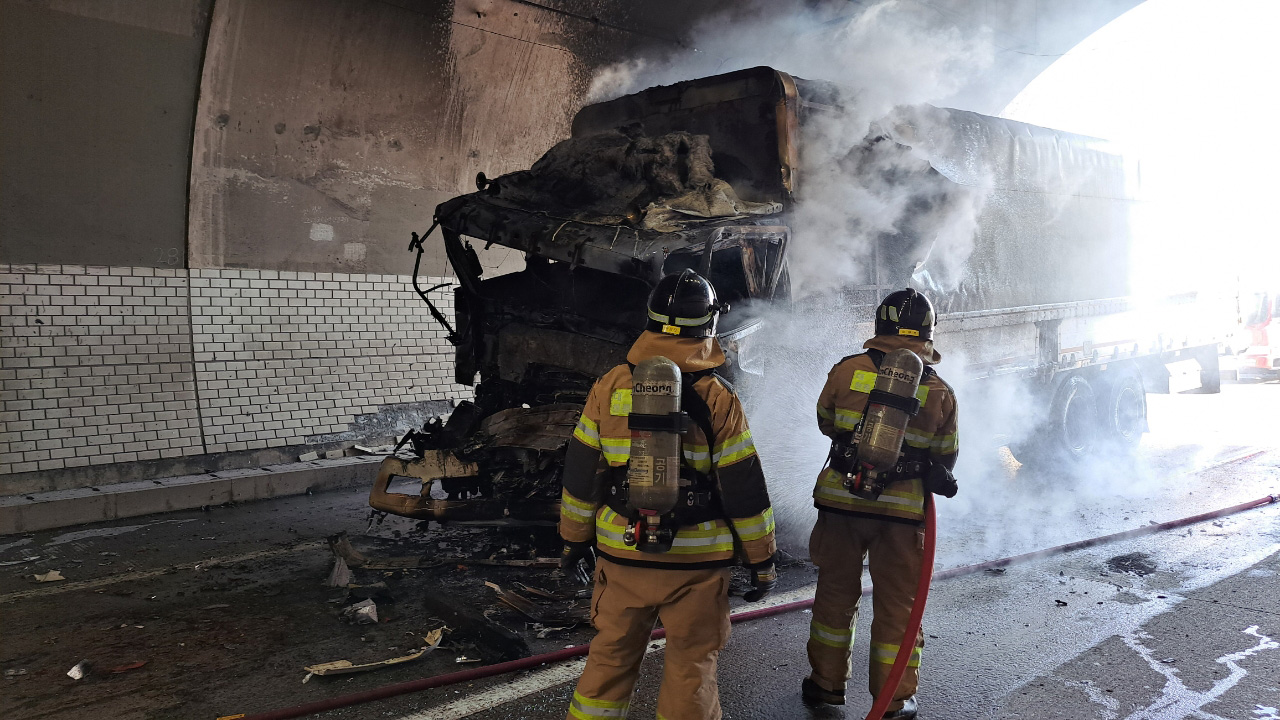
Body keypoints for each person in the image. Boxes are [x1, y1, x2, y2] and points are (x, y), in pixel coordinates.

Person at [559, 269, 778, 720]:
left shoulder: (610, 386)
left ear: (651, 318)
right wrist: (762, 560)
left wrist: (573, 541)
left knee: (609, 658)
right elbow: (742, 487)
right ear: (709, 324)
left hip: (624, 554)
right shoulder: (718, 397)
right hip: (697, 563)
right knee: (691, 666)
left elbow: (581, 476)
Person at [802, 288, 960, 719]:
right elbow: (946, 455)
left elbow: (826, 422)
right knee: (898, 606)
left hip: (841, 503)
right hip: (901, 515)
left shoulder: (846, 370)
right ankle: (894, 699)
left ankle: (825, 686)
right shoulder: (939, 390)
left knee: (835, 596)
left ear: (879, 326)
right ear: (926, 334)